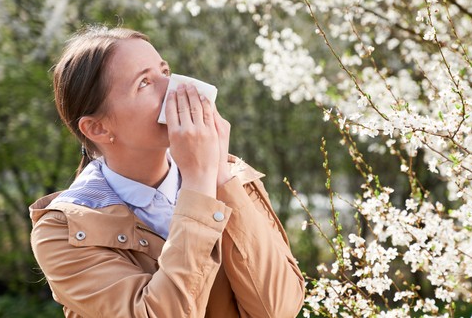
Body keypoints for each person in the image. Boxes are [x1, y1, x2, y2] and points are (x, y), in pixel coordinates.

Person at [28, 25, 305, 317]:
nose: (173, 89)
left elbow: (277, 308)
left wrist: (220, 174)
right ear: (98, 128)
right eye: (144, 83)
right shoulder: (63, 232)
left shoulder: (233, 178)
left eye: (165, 71)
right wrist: (199, 183)